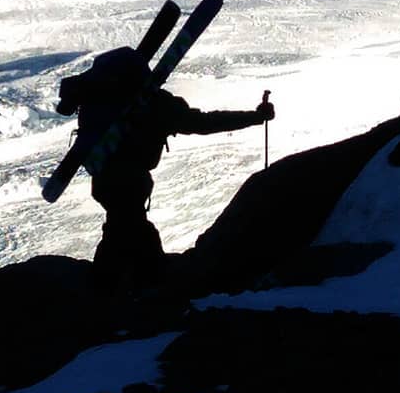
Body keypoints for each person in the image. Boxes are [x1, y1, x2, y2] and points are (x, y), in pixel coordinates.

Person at [56, 46, 274, 291]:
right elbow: (202, 122)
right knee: (127, 230)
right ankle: (123, 290)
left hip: (105, 181)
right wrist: (254, 117)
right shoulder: (153, 104)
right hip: (130, 182)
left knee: (124, 228)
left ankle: (127, 284)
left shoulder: (97, 96)